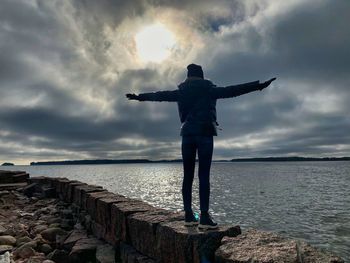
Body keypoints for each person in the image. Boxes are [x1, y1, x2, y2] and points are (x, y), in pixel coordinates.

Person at [126, 64, 276, 229]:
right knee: (203, 176)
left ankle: (189, 216)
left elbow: (159, 95)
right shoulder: (210, 90)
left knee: (187, 176)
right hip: (205, 134)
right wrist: (259, 86)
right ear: (202, 77)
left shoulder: (181, 92)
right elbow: (234, 90)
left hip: (187, 134)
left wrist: (139, 97)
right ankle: (204, 217)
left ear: (188, 76)